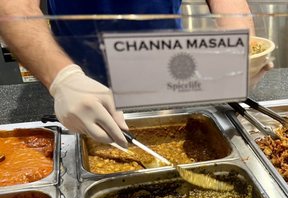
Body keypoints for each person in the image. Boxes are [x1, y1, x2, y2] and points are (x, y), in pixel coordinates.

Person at [0, 1, 269, 148]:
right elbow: (14, 7)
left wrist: (242, 55)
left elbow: (228, 3)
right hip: (80, 73)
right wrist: (63, 79)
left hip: (167, 71)